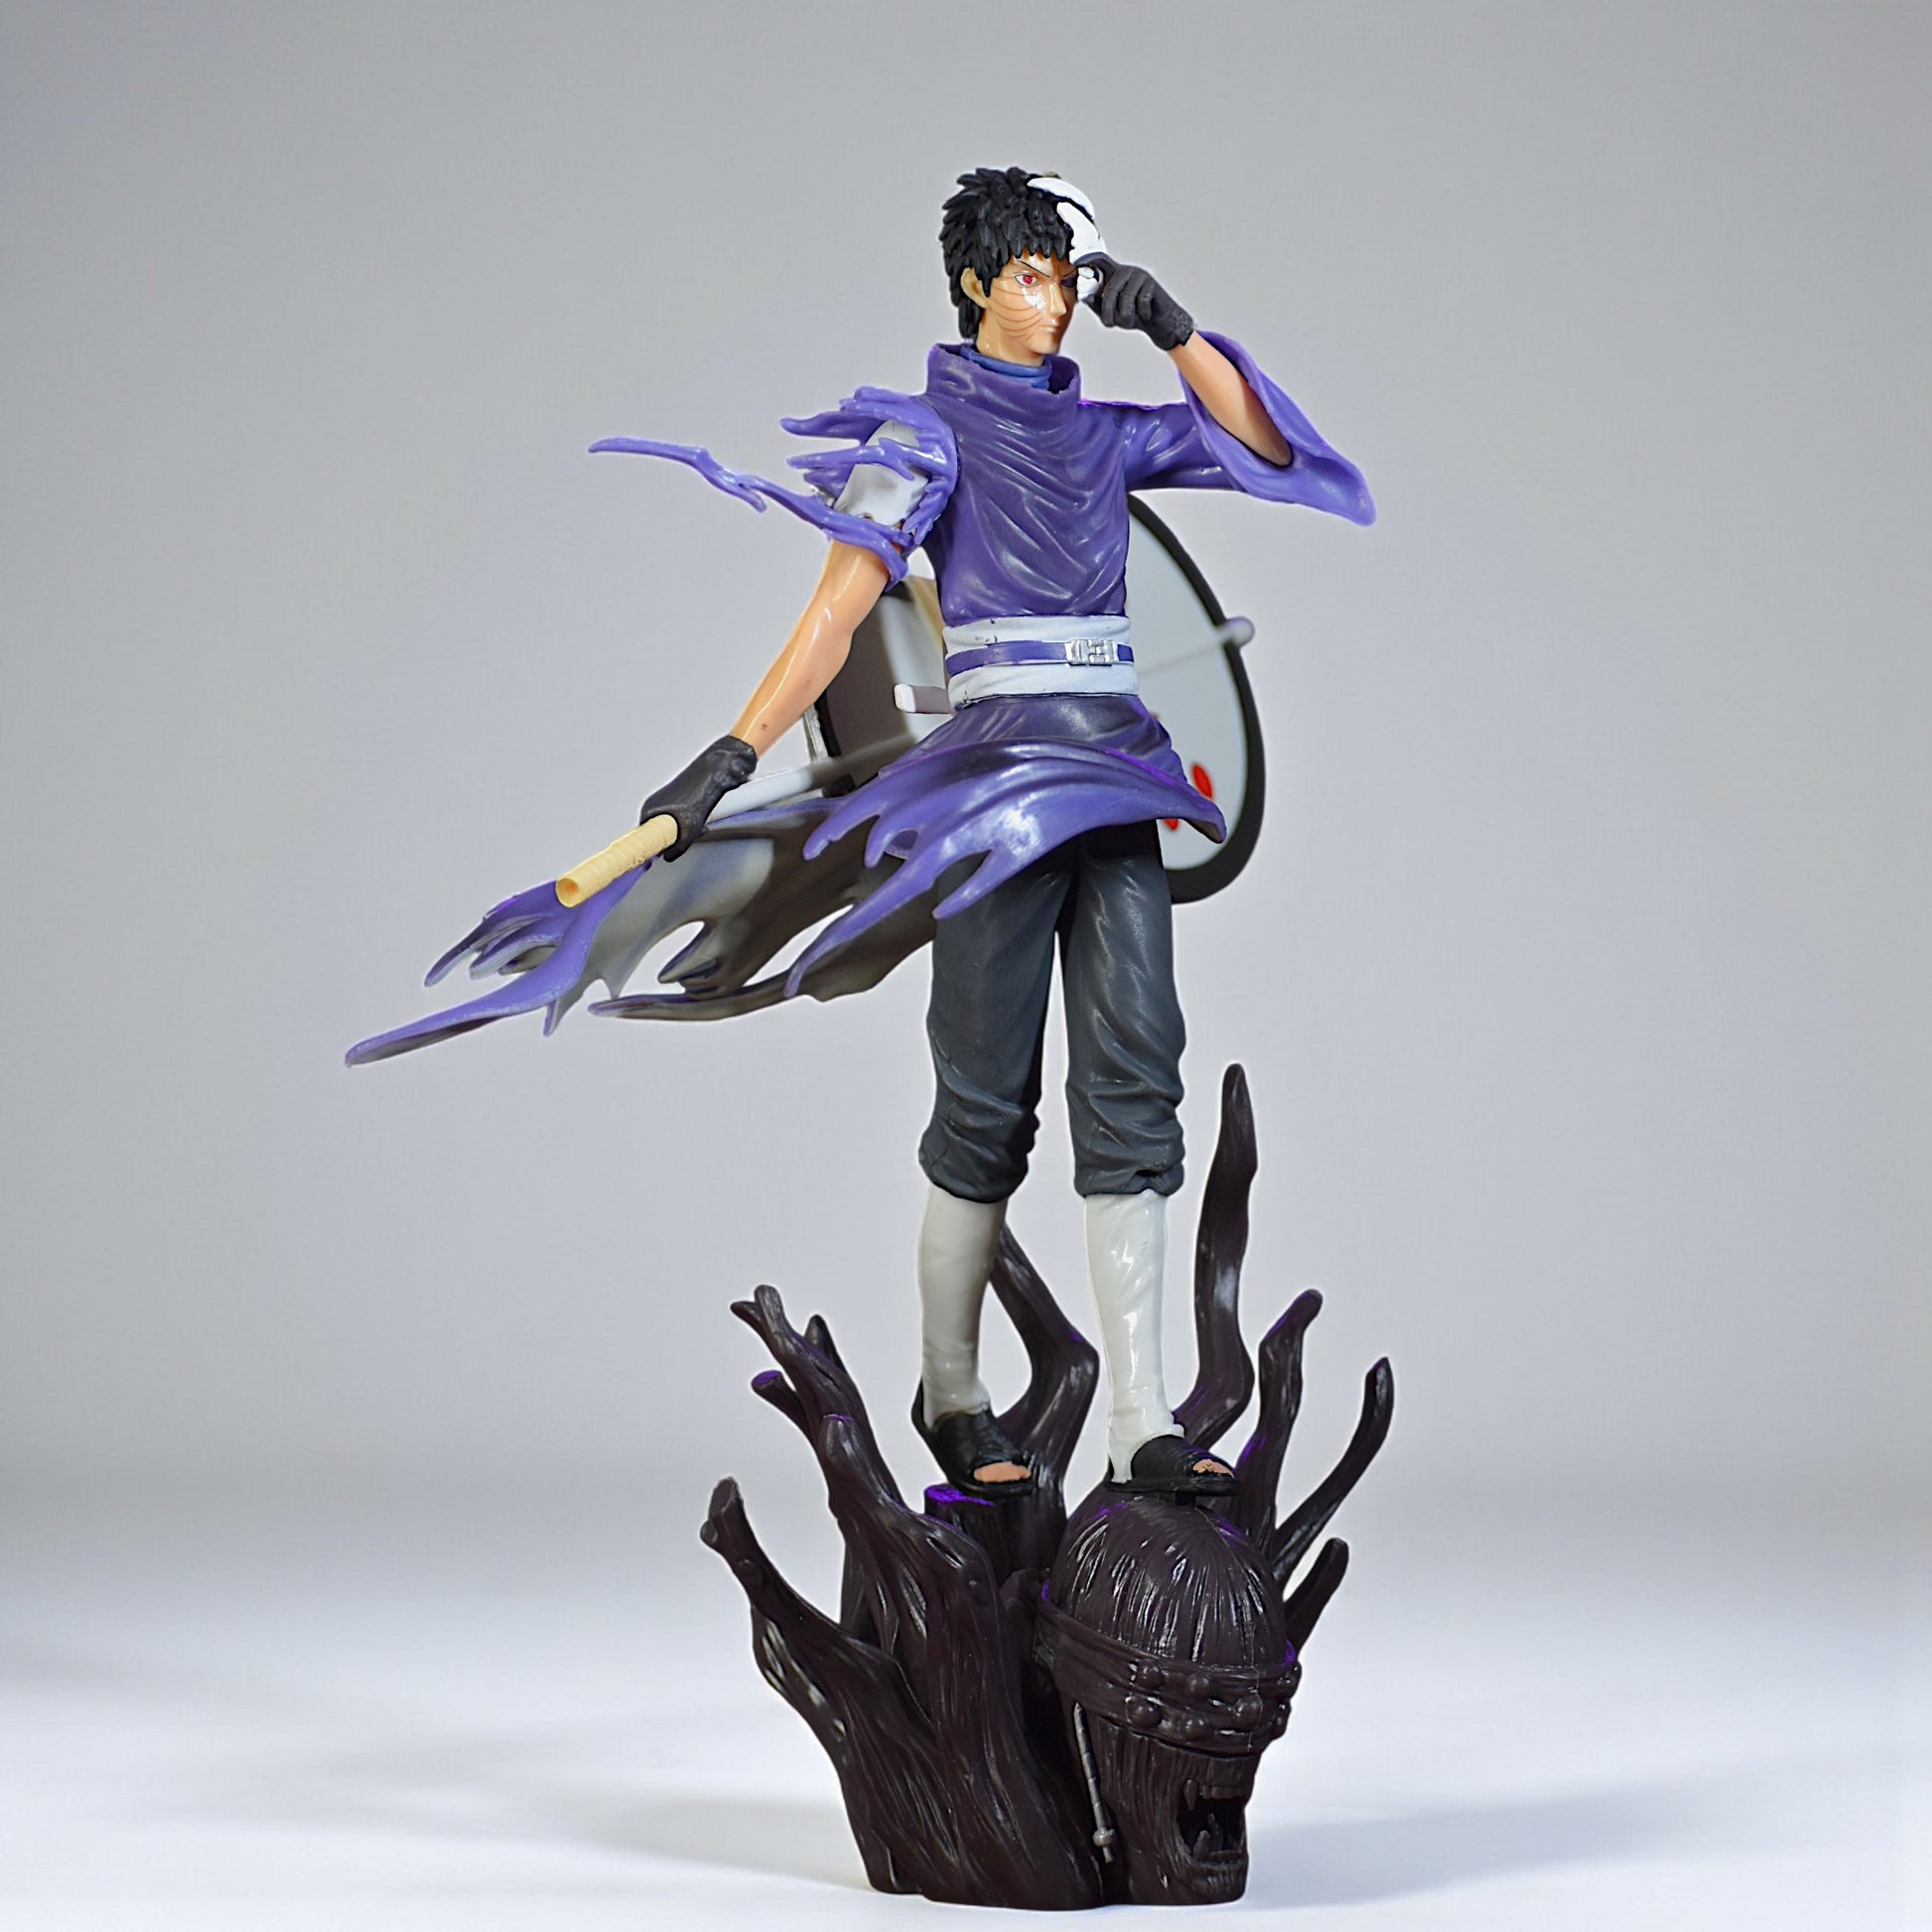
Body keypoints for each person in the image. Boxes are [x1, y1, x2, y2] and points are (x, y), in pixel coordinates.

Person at [624, 168, 1373, 1497]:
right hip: (994, 788)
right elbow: (838, 611)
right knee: (983, 1099)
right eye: (1032, 275)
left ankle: (1139, 1416)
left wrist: (1176, 331)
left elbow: (1265, 449)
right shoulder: (924, 438)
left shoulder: (1103, 434)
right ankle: (952, 1388)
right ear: (974, 284)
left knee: (1136, 1083)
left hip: (1116, 775)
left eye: (1067, 276)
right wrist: (732, 752)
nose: (1058, 299)